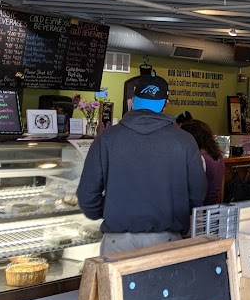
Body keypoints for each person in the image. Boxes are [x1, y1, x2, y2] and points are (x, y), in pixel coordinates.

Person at [77, 75, 207, 254]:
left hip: (117, 241)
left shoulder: (106, 138)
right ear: (166, 103)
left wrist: (109, 211)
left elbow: (87, 195)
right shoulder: (184, 141)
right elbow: (197, 194)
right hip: (166, 240)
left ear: (132, 101)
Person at [181, 119, 225, 205]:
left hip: (201, 207)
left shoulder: (200, 159)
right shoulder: (217, 156)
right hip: (213, 204)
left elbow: (195, 189)